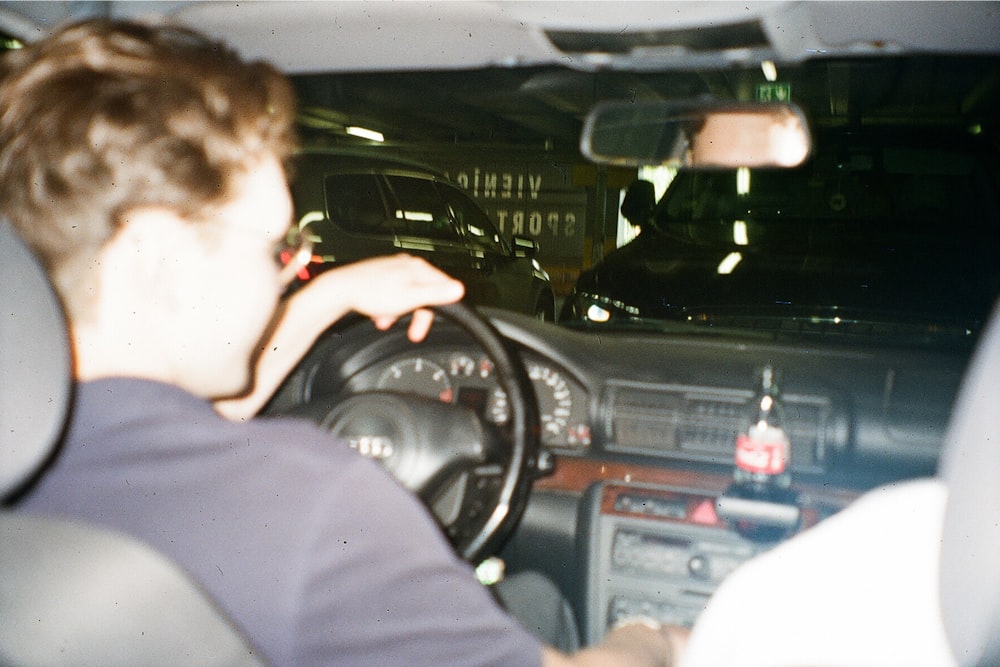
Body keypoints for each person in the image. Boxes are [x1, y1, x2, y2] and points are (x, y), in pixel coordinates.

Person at [0, 19, 685, 666]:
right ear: (156, 260)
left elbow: (177, 420)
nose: (284, 276)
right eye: (274, 249)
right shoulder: (311, 502)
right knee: (541, 603)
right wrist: (651, 638)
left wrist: (330, 296)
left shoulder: (34, 443)